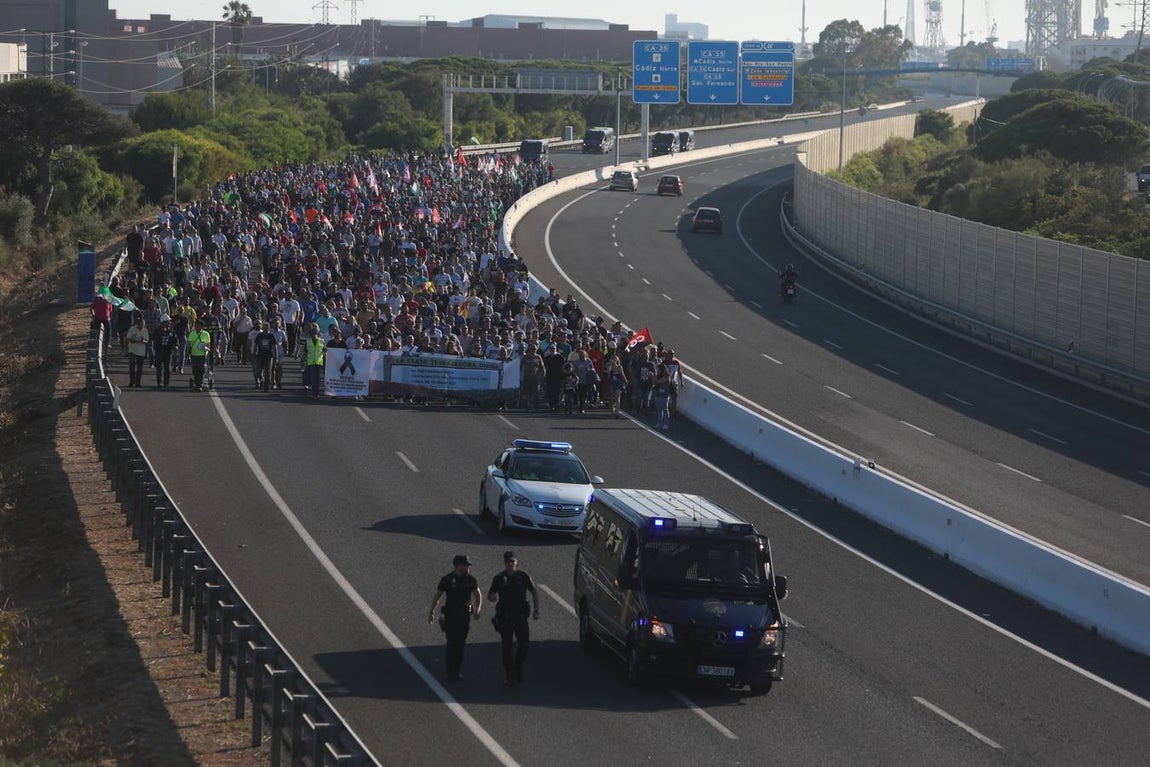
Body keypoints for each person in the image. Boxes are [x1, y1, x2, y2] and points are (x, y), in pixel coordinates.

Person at [428, 554, 483, 683]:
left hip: (464, 615)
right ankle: (449, 671)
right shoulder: (447, 579)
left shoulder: (471, 580)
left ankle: (457, 671)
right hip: (451, 615)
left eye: (468, 565)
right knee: (451, 642)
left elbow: (478, 595)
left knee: (461, 644)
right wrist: (432, 612)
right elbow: (437, 596)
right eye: (465, 565)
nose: (468, 567)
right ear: (458, 566)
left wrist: (478, 609)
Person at [487, 551, 539, 687]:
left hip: (520, 616)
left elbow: (534, 592)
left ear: (516, 562)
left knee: (524, 644)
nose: (510, 564)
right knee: (507, 646)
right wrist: (492, 596)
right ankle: (509, 675)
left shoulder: (523, 576)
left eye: (512, 561)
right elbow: (491, 594)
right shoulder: (499, 578)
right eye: (508, 562)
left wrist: (536, 610)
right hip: (505, 617)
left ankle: (518, 667)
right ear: (504, 563)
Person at [151, 315, 178, 388]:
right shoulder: (157, 330)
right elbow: (152, 339)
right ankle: (159, 382)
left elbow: (175, 340)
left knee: (167, 368)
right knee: (159, 367)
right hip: (159, 351)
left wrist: (176, 346)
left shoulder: (171, 331)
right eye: (168, 321)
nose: (169, 322)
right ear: (163, 322)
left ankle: (166, 383)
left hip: (168, 352)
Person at [186, 318, 212, 391]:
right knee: (195, 369)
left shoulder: (206, 334)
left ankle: (199, 384)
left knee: (201, 369)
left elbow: (208, 345)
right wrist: (188, 354)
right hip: (194, 354)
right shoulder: (192, 333)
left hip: (202, 355)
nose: (196, 327)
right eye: (195, 325)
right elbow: (188, 344)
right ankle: (197, 381)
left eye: (198, 326)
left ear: (201, 326)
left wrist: (206, 351)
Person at [125, 315, 150, 388]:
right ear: (137, 324)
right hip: (132, 350)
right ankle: (131, 381)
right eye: (140, 324)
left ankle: (138, 383)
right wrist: (137, 340)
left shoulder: (145, 330)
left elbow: (147, 340)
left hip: (141, 352)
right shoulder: (132, 329)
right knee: (132, 367)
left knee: (139, 368)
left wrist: (142, 341)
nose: (142, 326)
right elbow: (128, 338)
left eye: (143, 324)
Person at [303, 323, 326, 398]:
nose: (313, 335)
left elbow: (325, 350)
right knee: (313, 379)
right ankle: (314, 393)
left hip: (319, 362)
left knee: (318, 379)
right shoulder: (308, 341)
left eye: (314, 333)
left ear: (317, 333)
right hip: (311, 362)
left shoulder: (322, 341)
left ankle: (317, 392)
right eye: (312, 333)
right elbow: (305, 351)